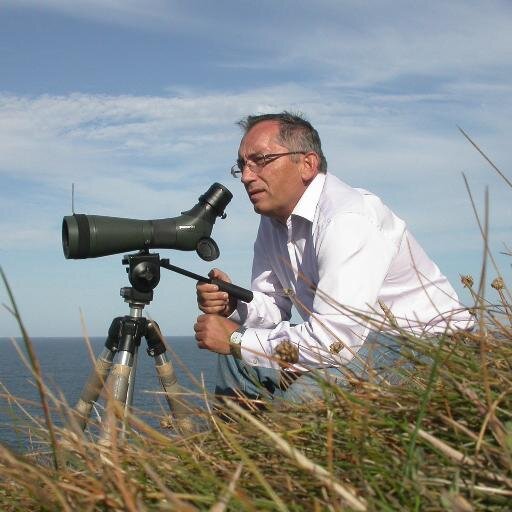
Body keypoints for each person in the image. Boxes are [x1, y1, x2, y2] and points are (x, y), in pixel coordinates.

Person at [194, 112, 472, 402]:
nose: (247, 176)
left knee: (303, 397)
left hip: (430, 348)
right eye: (242, 166)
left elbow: (336, 340)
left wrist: (237, 340)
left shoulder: (346, 218)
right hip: (358, 343)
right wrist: (234, 304)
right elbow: (275, 305)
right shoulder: (273, 221)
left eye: (261, 160)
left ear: (307, 164)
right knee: (235, 358)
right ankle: (240, 445)